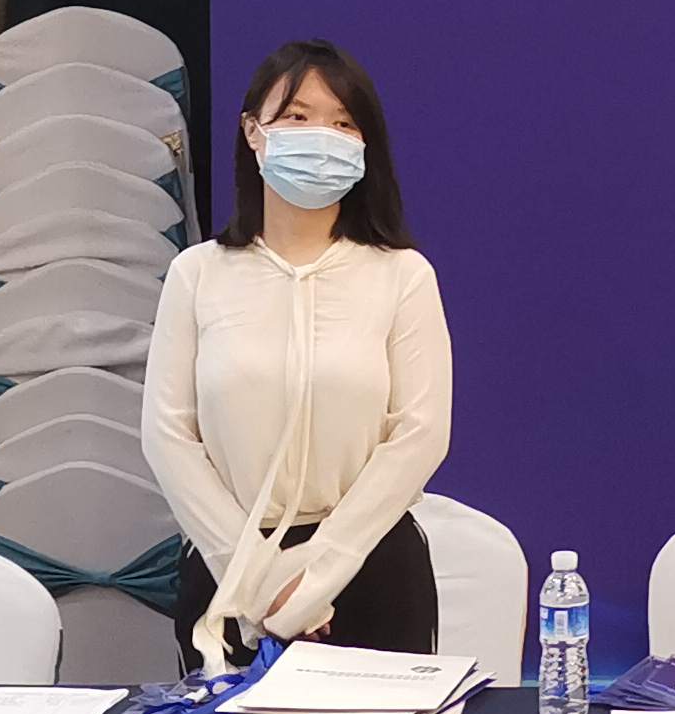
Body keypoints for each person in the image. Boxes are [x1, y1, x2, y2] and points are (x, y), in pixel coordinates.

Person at [143, 39, 453, 672]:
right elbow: (167, 435)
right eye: (298, 116)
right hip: (227, 574)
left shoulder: (403, 276)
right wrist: (256, 579)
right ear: (253, 132)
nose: (322, 137)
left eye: (343, 123)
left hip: (371, 570)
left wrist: (318, 573)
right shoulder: (197, 274)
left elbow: (420, 435)